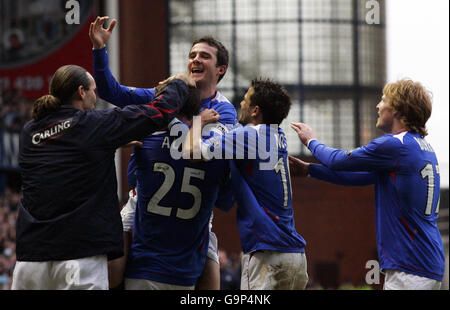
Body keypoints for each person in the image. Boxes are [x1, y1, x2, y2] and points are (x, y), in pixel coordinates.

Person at [11, 64, 193, 290]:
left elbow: (67, 152)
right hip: (78, 257)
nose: (96, 96)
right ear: (81, 92)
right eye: (94, 90)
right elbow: (158, 112)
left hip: (29, 261)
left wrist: (107, 144)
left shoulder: (30, 131)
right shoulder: (95, 126)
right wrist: (178, 84)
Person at [89, 16, 238, 289]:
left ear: (221, 69)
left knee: (208, 253)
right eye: (192, 54)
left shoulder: (225, 112)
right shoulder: (168, 97)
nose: (195, 59)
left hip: (193, 207)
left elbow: (206, 155)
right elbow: (111, 90)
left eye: (204, 56)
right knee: (117, 246)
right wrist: (99, 49)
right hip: (148, 199)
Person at [290, 79, 445, 290]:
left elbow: (338, 160)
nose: (378, 106)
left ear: (398, 109)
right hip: (426, 262)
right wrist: (310, 170)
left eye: (383, 100)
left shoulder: (394, 145)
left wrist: (311, 141)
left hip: (410, 266)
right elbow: (359, 177)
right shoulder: (422, 147)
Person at [185, 78, 309, 290]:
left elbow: (192, 152)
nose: (241, 104)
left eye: (245, 100)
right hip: (296, 256)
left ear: (255, 110)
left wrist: (199, 122)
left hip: (267, 254)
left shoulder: (247, 135)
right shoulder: (278, 135)